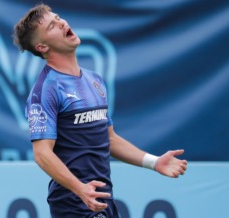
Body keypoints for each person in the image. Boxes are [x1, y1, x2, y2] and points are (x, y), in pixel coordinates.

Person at [13, 3, 187, 218]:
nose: (62, 22)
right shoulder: (46, 90)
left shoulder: (94, 80)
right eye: (52, 26)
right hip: (73, 203)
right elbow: (42, 154)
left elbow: (109, 139)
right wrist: (79, 189)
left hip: (101, 198)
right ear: (42, 47)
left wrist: (153, 162)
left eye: (58, 17)